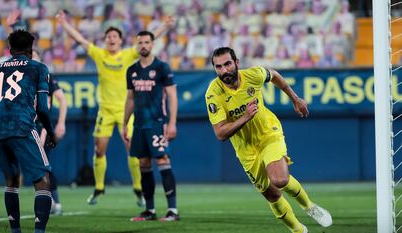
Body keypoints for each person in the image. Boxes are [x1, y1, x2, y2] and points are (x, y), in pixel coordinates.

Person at [205, 47, 332, 233]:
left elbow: (274, 76)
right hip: (246, 149)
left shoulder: (253, 75)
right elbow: (220, 133)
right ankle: (299, 230)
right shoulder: (213, 94)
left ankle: (309, 207)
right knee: (272, 195)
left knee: (279, 179)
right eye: (218, 67)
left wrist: (295, 99)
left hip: (268, 133)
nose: (224, 70)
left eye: (227, 64)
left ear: (236, 63)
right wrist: (245, 117)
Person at [56, 10, 175, 206]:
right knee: (99, 149)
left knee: (135, 151)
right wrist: (64, 23)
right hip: (105, 111)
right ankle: (99, 188)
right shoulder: (99, 54)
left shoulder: (129, 54)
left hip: (126, 110)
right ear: (105, 40)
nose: (111, 39)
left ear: (120, 40)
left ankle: (139, 190)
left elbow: (147, 42)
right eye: (108, 36)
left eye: (115, 36)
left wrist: (164, 25)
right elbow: (80, 40)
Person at [0, 29, 57, 233]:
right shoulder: (38, 68)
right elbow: (42, 108)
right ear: (30, 49)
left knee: (11, 179)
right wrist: (50, 132)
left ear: (10, 49)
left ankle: (16, 230)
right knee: (43, 180)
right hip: (23, 127)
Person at [122, 31, 179, 221]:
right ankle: (150, 210)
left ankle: (173, 210)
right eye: (140, 43)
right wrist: (124, 123)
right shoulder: (131, 70)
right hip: (138, 125)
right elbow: (130, 99)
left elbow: (171, 95)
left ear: (152, 44)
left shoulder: (162, 67)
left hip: (156, 122)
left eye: (147, 42)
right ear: (136, 45)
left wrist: (171, 122)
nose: (143, 45)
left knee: (162, 160)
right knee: (143, 163)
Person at [32, 49, 67, 215]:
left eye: (34, 56)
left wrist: (60, 123)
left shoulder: (46, 76)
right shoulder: (22, 77)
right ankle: (51, 201)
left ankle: (53, 201)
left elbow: (62, 99)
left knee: (43, 164)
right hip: (27, 126)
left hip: (42, 126)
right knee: (37, 165)